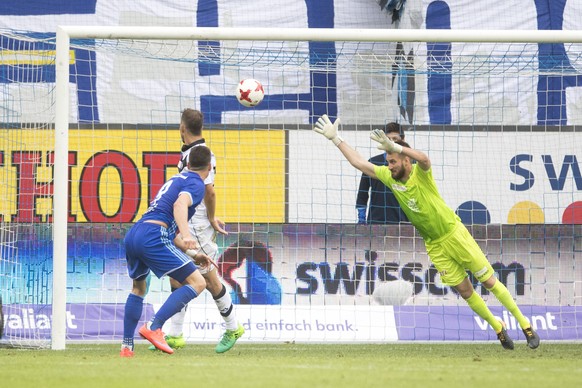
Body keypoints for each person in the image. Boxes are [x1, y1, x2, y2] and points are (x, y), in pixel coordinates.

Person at [313, 114, 540, 350]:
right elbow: (360, 163)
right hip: (434, 244)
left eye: (393, 161)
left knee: (490, 281)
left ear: (405, 162)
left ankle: (525, 325)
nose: (389, 166)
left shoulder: (421, 176)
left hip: (454, 234)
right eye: (388, 162)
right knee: (465, 290)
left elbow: (424, 158)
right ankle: (498, 328)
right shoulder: (390, 179)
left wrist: (396, 146)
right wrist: (336, 139)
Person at [158, 108, 243, 354]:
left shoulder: (202, 155)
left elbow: (210, 191)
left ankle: (232, 326)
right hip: (188, 222)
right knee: (177, 273)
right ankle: (174, 335)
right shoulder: (191, 153)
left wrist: (212, 218)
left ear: (182, 128)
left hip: (198, 226)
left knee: (208, 276)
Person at [120, 145, 215, 357]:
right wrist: (187, 234)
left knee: (138, 288)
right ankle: (155, 326)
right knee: (198, 282)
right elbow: (180, 205)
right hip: (153, 235)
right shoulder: (196, 183)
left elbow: (169, 229)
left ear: (188, 164)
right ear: (209, 167)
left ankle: (126, 348)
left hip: (136, 233)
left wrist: (193, 254)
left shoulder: (175, 179)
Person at [356, 122, 408, 224]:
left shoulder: (411, 163)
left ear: (403, 140)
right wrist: (361, 219)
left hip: (404, 223)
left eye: (395, 139)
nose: (391, 143)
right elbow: (362, 193)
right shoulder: (373, 163)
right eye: (388, 139)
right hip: (376, 222)